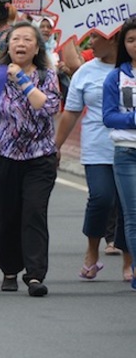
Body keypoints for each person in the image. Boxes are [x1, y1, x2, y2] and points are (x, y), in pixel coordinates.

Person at [0, 21, 61, 297]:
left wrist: (21, 77)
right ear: (7, 46)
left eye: (27, 40)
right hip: (3, 157)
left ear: (36, 47)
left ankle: (34, 275)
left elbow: (47, 107)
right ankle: (9, 269)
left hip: (39, 158)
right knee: (7, 215)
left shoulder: (47, 76)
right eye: (15, 39)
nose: (20, 44)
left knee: (34, 212)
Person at [57, 31, 130, 282]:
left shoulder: (129, 70)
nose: (90, 44)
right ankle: (92, 250)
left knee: (127, 206)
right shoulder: (85, 72)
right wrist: (55, 147)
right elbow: (71, 113)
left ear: (114, 39)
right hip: (97, 149)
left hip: (129, 149)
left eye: (96, 38)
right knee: (101, 198)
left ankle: (128, 260)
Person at [102, 18, 136, 290]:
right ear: (124, 45)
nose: (135, 45)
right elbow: (109, 116)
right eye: (131, 40)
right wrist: (133, 119)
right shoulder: (116, 77)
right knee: (133, 215)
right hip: (126, 153)